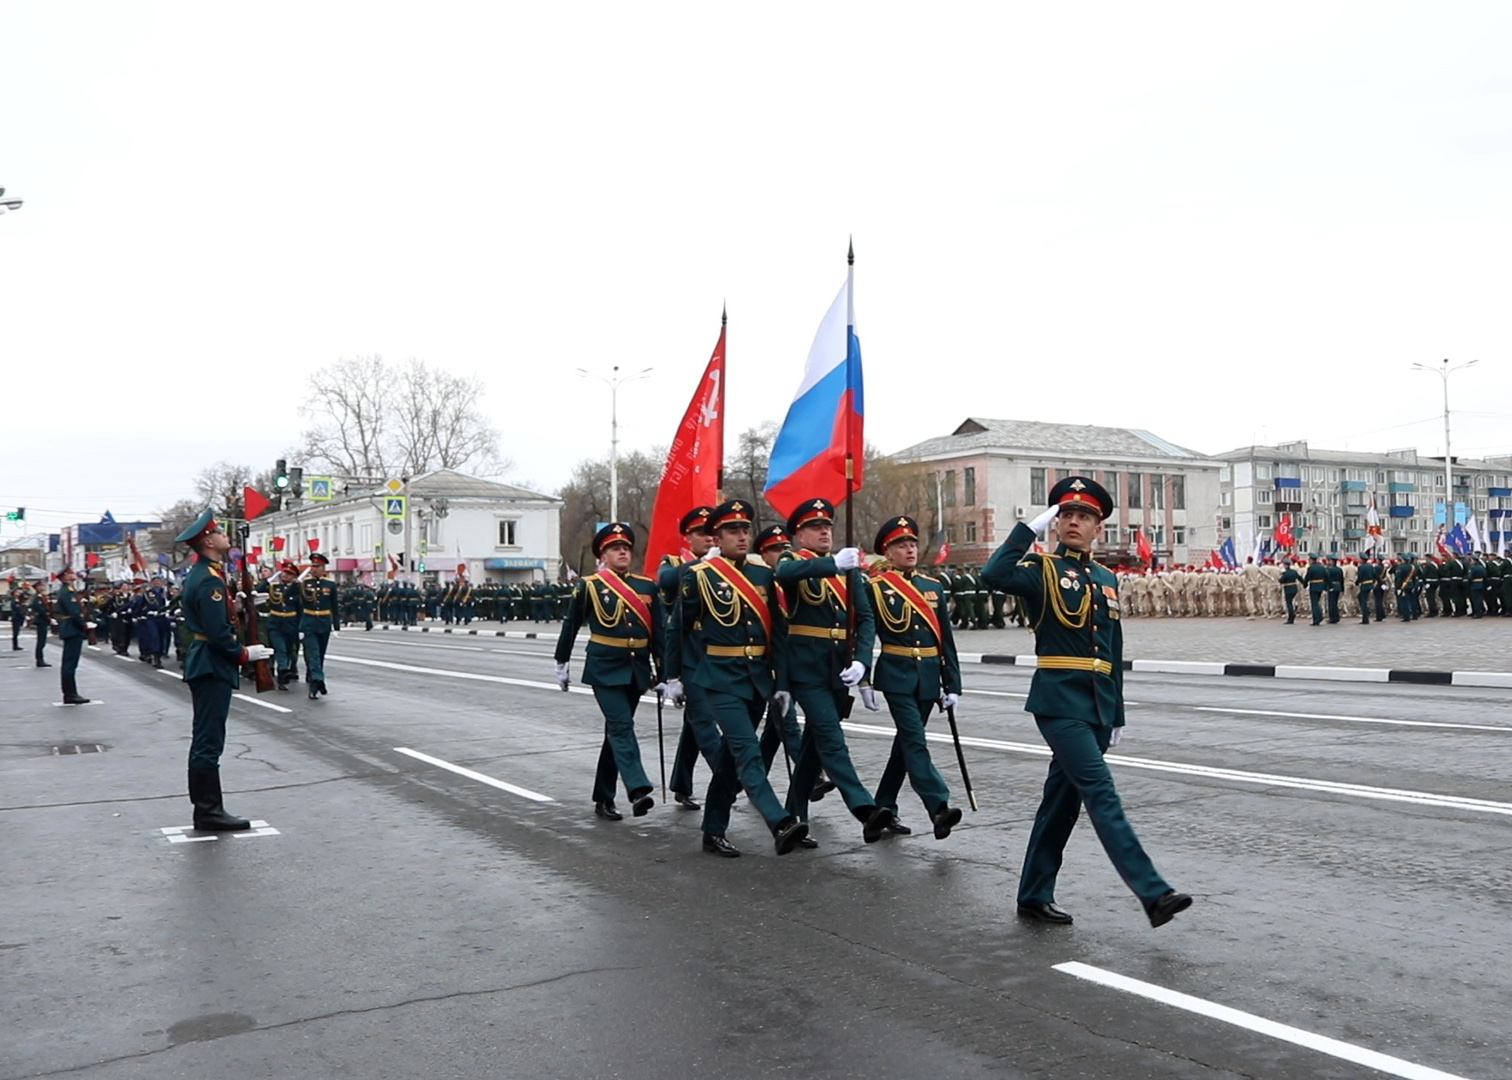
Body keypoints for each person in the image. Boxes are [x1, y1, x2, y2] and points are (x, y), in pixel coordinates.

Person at [982, 476, 1191, 929]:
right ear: (1055, 524)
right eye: (1067, 515)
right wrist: (1025, 532)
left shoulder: (1105, 578)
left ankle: (1034, 894)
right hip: (1058, 702)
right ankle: (1153, 892)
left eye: (1085, 516)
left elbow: (1112, 650)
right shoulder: (1040, 571)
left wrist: (1116, 713)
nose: (1074, 522)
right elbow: (992, 575)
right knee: (1101, 791)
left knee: (1061, 802)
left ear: (1099, 528)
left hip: (1096, 707)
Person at [663, 499, 808, 858]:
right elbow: (677, 629)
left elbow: (777, 634)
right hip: (719, 679)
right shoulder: (699, 576)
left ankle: (713, 830)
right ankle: (780, 821)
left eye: (745, 529)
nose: (742, 536)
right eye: (733, 530)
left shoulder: (763, 576)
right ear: (718, 536)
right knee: (748, 753)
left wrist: (783, 683)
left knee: (730, 759)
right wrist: (672, 676)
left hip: (757, 680)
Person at [776, 497, 891, 845]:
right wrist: (832, 565)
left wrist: (862, 661)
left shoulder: (848, 570)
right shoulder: (793, 560)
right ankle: (865, 809)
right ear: (800, 535)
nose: (824, 531)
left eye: (828, 526)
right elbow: (783, 574)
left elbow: (866, 617)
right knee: (830, 737)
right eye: (815, 527)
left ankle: (792, 819)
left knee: (814, 745)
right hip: (806, 668)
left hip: (838, 667)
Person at [862, 515, 963, 840]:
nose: (909, 550)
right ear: (887, 553)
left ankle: (883, 809)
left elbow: (945, 640)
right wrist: (862, 674)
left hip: (929, 678)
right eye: (901, 545)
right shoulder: (876, 588)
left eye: (912, 544)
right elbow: (865, 632)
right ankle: (938, 807)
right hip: (897, 675)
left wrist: (953, 685)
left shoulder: (933, 588)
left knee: (904, 747)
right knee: (915, 742)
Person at [554, 522, 661, 821]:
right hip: (604, 669)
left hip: (636, 669)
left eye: (626, 548)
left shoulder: (645, 586)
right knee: (622, 726)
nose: (623, 552)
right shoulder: (589, 586)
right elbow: (570, 625)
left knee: (615, 733)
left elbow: (658, 633)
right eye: (616, 548)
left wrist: (664, 672)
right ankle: (638, 789)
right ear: (603, 555)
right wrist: (561, 663)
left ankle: (603, 796)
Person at [176, 509, 275, 830]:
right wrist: (245, 653)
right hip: (210, 662)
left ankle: (208, 809)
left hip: (207, 660)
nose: (224, 536)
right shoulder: (208, 580)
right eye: (219, 532)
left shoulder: (209, 574)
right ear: (208, 541)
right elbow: (218, 633)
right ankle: (207, 811)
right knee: (208, 739)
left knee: (208, 737)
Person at [660, 506, 724, 811]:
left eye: (713, 533)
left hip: (716, 655)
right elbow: (666, 580)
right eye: (702, 534)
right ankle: (732, 778)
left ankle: (682, 784)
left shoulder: (723, 566)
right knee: (705, 721)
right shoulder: (674, 563)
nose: (709, 538)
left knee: (694, 726)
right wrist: (701, 564)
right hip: (689, 657)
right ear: (688, 538)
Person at [299, 552, 341, 699]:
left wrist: (336, 627)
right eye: (313, 566)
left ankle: (316, 681)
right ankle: (317, 681)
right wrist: (300, 627)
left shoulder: (330, 585)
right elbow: (298, 606)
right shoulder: (304, 584)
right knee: (314, 655)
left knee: (320, 655)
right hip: (309, 623)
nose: (314, 569)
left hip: (324, 623)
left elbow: (335, 607)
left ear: (324, 568)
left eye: (318, 566)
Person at [256, 559, 303, 689]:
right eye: (284, 573)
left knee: (288, 650)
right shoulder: (273, 586)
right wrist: (269, 580)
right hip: (275, 623)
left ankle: (283, 677)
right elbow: (256, 591)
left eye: (289, 574)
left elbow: (301, 608)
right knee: (280, 649)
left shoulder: (298, 588)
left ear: (294, 576)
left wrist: (301, 628)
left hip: (291, 623)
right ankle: (283, 671)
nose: (285, 576)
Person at [52, 566, 95, 704]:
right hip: (72, 628)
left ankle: (70, 693)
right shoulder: (67, 593)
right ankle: (70, 694)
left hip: (71, 628)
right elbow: (74, 613)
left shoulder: (70, 591)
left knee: (70, 663)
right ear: (64, 577)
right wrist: (84, 625)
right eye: (70, 573)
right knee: (70, 664)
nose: (73, 574)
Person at [1356, 552, 1380, 625]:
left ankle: (1365, 617)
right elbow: (1375, 575)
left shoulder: (1361, 567)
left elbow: (1360, 577)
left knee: (1363, 601)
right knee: (1362, 598)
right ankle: (1367, 612)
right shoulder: (1370, 566)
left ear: (1362, 559)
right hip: (1370, 584)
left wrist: (1356, 582)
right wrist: (1380, 581)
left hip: (1364, 584)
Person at [1304, 554, 1328, 626]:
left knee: (1314, 603)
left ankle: (1317, 618)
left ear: (1312, 560)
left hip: (1313, 586)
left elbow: (1307, 577)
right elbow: (1326, 577)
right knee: (1317, 602)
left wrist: (1305, 584)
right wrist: (1326, 586)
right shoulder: (1322, 568)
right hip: (1321, 586)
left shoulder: (1311, 568)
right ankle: (1319, 615)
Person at [1278, 558, 1302, 624]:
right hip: (1294, 588)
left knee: (1289, 603)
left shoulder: (1285, 573)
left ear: (1286, 565)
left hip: (1288, 588)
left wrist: (1281, 575)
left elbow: (1281, 580)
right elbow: (1300, 578)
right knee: (1291, 602)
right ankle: (1293, 613)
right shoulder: (1294, 572)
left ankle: (1291, 616)